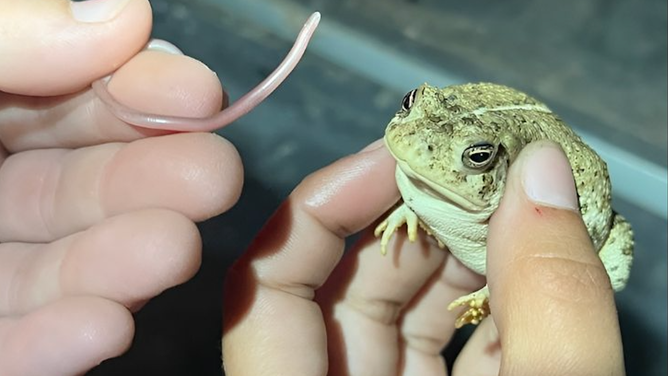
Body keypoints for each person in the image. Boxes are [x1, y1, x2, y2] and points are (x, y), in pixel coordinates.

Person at [0, 1, 625, 375]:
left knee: (617, 261)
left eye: (474, 157)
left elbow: (530, 220)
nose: (410, 139)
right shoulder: (429, 147)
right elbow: (426, 147)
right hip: (458, 192)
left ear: (493, 166)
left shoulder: (509, 181)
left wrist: (500, 284)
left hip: (546, 229)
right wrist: (414, 197)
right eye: (411, 105)